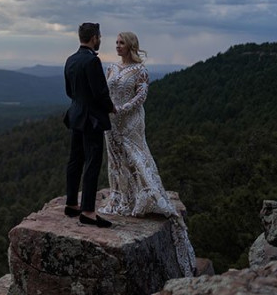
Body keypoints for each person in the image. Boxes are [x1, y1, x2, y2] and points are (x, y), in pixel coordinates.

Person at [98, 31, 196, 276]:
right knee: (116, 159)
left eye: (121, 43)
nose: (117, 46)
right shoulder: (111, 67)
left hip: (131, 120)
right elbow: (105, 93)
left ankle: (146, 195)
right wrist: (107, 110)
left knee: (136, 157)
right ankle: (123, 197)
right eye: (116, 42)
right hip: (111, 121)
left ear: (130, 45)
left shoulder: (140, 70)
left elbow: (142, 95)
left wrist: (124, 109)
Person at [63, 22, 116, 228]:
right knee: (92, 162)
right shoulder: (93, 61)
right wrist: (111, 107)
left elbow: (69, 90)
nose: (100, 40)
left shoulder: (71, 59)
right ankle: (87, 211)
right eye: (99, 37)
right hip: (91, 119)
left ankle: (71, 204)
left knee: (75, 159)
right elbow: (100, 92)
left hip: (75, 114)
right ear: (94, 37)